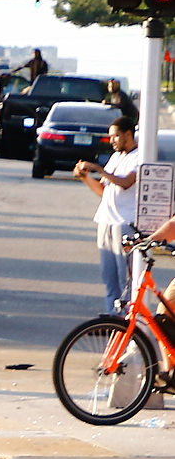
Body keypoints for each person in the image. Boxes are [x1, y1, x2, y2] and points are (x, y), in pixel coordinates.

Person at [75, 115, 145, 312]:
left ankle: (127, 320)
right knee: (109, 277)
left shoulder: (139, 157)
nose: (112, 140)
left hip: (125, 223)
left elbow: (126, 182)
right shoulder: (116, 157)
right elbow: (103, 190)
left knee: (126, 278)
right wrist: (85, 177)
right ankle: (112, 318)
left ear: (128, 134)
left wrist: (98, 168)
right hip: (105, 220)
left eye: (115, 136)